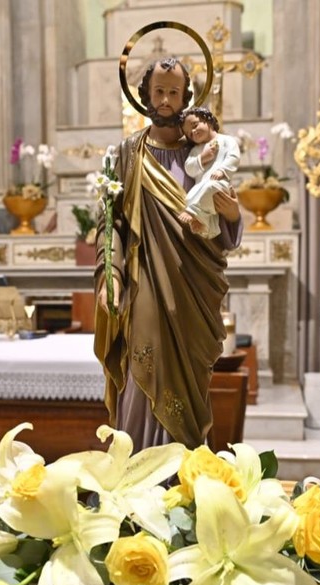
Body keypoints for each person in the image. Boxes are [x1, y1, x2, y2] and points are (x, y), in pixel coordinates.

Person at [94, 57, 244, 451]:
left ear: (186, 99)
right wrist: (110, 275)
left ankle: (183, 472)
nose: (164, 99)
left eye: (173, 92)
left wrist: (231, 215)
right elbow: (111, 223)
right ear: (143, 95)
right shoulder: (127, 153)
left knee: (191, 377)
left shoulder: (204, 154)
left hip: (194, 286)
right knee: (143, 364)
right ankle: (136, 466)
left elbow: (223, 224)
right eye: (158, 91)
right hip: (145, 282)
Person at [176, 107, 241, 239]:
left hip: (220, 185)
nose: (194, 132)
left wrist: (222, 170)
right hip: (202, 185)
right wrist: (202, 158)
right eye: (189, 134)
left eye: (195, 125)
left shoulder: (227, 141)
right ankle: (206, 227)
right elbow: (189, 167)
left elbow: (234, 157)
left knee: (210, 188)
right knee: (191, 197)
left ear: (209, 120)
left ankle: (193, 213)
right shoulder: (196, 150)